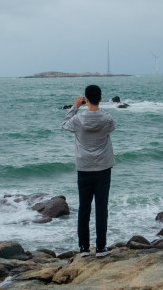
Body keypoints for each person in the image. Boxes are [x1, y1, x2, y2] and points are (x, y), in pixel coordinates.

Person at [61, 84, 116, 257]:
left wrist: (75, 107)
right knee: (101, 208)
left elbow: (64, 124)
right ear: (100, 99)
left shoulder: (77, 120)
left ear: (85, 99)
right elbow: (112, 127)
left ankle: (84, 248)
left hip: (84, 168)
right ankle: (100, 248)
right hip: (103, 168)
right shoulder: (107, 119)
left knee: (84, 208)